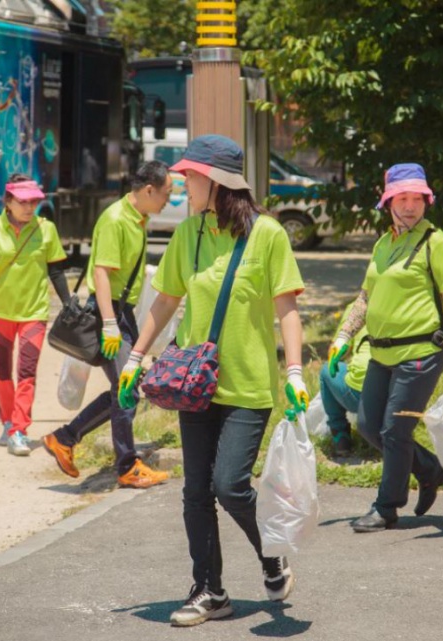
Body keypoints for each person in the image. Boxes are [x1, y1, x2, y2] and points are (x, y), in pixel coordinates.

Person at [116, 135, 308, 627]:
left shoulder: (267, 235)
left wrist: (294, 371)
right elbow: (165, 301)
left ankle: (270, 554)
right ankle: (210, 590)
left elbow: (287, 307)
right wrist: (136, 357)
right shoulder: (189, 234)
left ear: (217, 182)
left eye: (190, 177)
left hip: (248, 385)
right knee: (196, 491)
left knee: (231, 485)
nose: (182, 185)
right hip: (195, 385)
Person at [328, 163, 443, 533]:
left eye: (417, 198)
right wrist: (343, 336)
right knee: (368, 425)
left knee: (394, 431)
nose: (410, 206)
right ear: (388, 201)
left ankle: (386, 507)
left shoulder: (436, 243)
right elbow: (365, 297)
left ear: (426, 200)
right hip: (380, 353)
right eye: (402, 198)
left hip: (420, 355)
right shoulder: (383, 243)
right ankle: (429, 470)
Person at [41, 161, 173, 488]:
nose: (168, 201)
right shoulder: (116, 220)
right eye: (166, 194)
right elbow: (101, 273)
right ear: (148, 190)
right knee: (127, 387)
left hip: (120, 312)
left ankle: (65, 437)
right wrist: (110, 324)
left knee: (124, 386)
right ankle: (127, 466)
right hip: (108, 313)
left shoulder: (137, 218)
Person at [0, 174, 70, 456]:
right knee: (2, 372)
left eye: (34, 202)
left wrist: (68, 302)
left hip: (34, 311)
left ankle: (19, 430)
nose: (30, 207)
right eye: (23, 202)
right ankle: (7, 420)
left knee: (26, 372)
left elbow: (56, 270)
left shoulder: (46, 229)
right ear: (8, 202)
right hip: (1, 311)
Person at [319, 301, 370, 456]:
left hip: (359, 395)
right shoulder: (405, 303)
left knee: (328, 369)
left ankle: (340, 435)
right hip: (398, 390)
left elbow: (337, 351)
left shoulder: (356, 308)